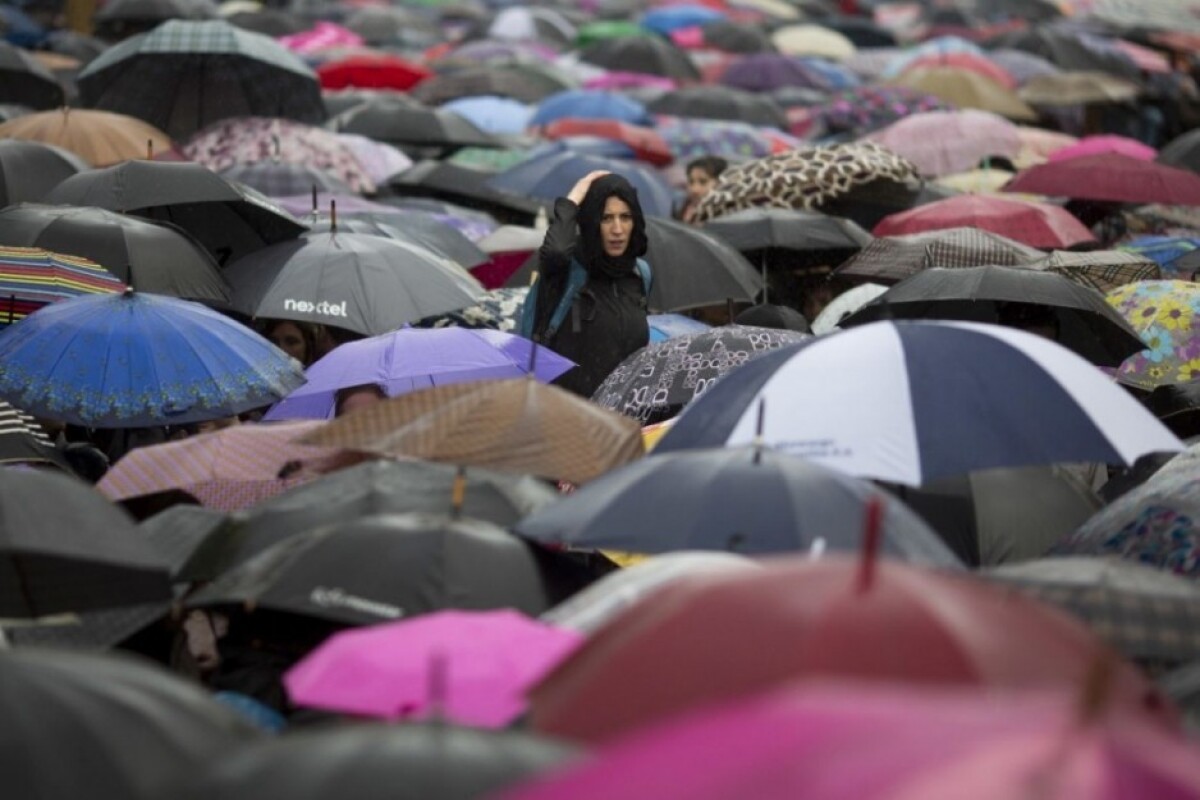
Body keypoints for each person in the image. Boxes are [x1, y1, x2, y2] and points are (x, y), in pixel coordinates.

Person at [526, 170, 652, 397]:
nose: (617, 230)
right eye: (606, 218)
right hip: (564, 416)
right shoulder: (568, 270)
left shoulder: (639, 275)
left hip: (618, 419)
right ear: (591, 221)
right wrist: (573, 198)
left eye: (625, 217)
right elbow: (556, 251)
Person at [677, 155, 728, 224]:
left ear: (721, 183)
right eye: (691, 182)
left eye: (703, 182)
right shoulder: (680, 208)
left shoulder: (729, 215)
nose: (694, 189)